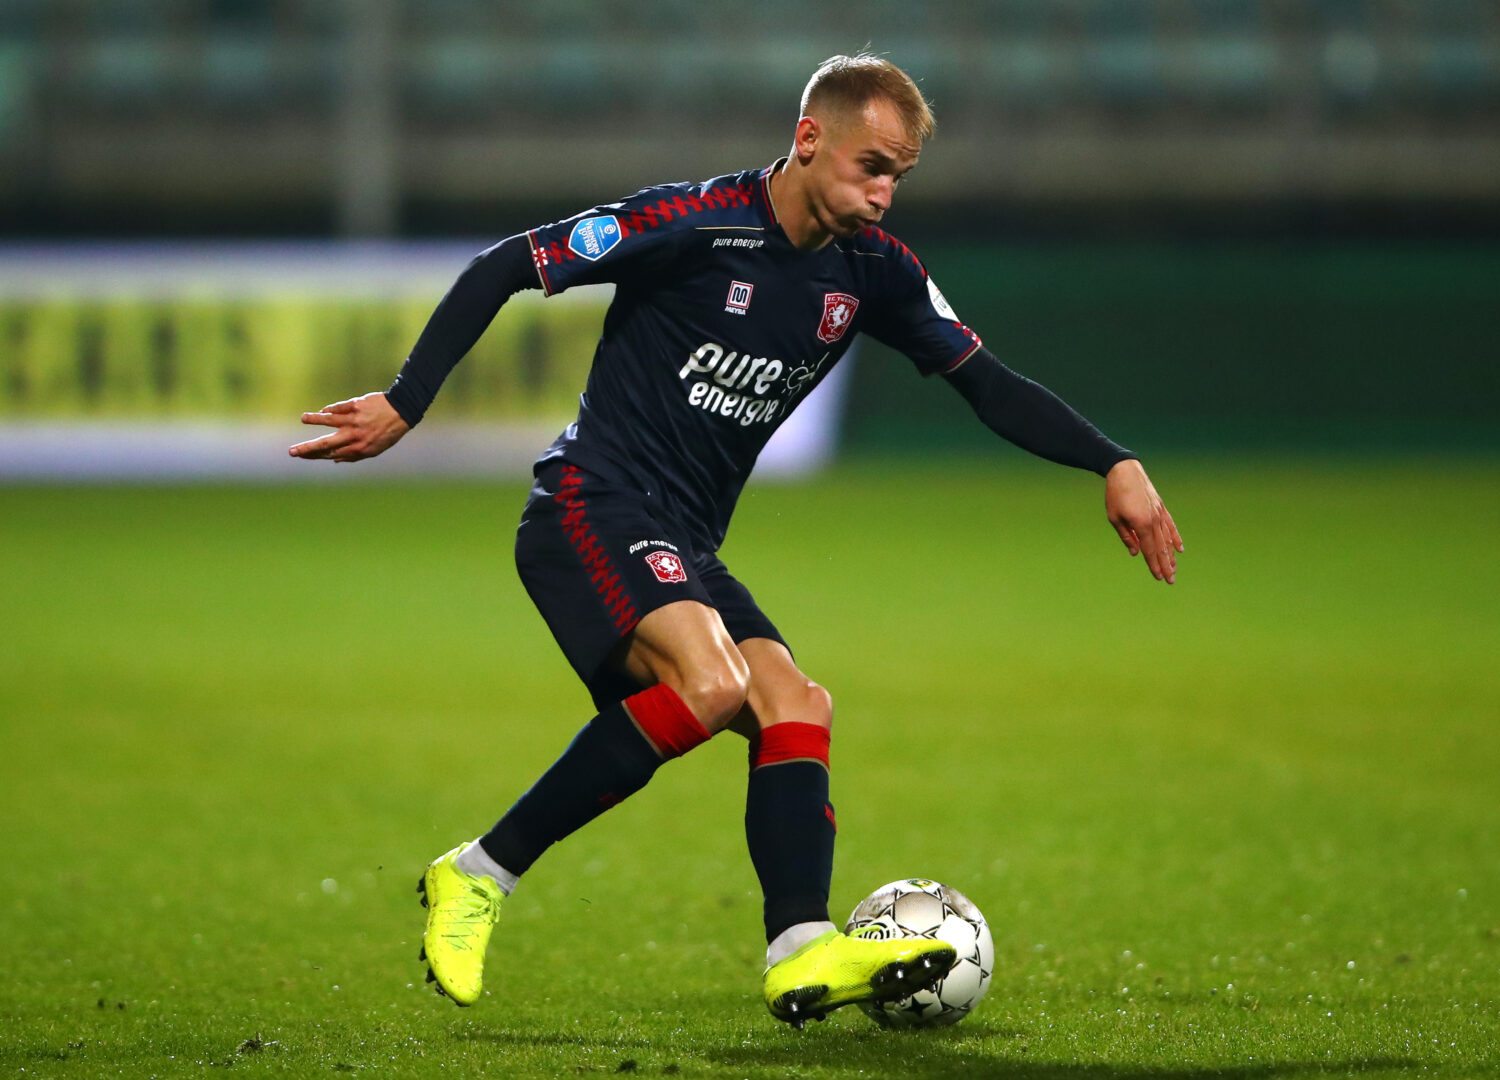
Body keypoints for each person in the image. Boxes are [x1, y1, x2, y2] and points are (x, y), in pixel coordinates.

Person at [289, 53, 1182, 1027]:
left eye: (900, 175)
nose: (884, 192)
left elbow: (987, 382)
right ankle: (477, 873)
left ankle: (800, 949)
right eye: (871, 166)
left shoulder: (873, 273)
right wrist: (408, 401)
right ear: (810, 140)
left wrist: (1112, 461)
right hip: (590, 506)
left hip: (681, 540)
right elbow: (506, 264)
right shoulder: (693, 224)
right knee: (712, 687)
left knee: (797, 704)